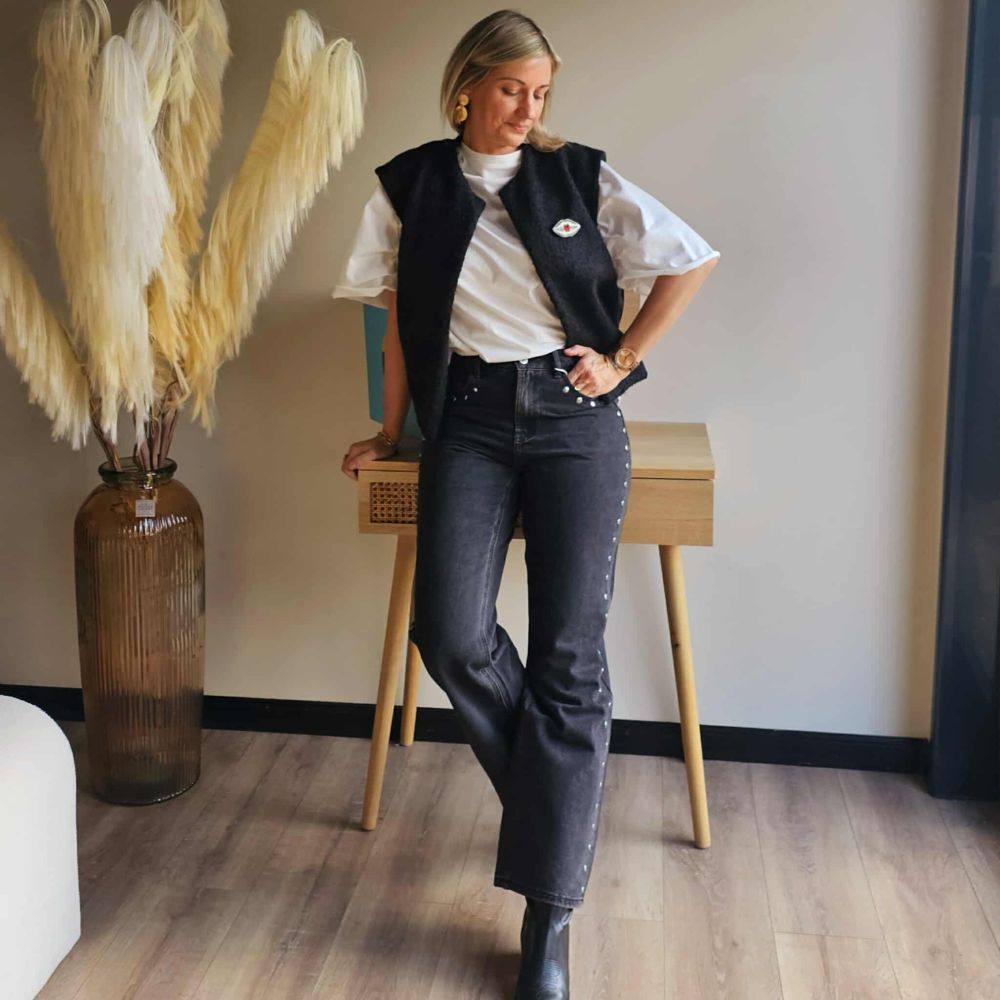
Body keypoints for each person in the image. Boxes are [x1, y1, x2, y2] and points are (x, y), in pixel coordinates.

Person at [333, 10, 719, 998]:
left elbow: (690, 260)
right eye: (512, 90)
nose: (527, 109)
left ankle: (547, 923)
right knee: (449, 631)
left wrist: (621, 359)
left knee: (568, 657)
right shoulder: (410, 186)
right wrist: (388, 430)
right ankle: (559, 815)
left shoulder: (578, 174)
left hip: (572, 419)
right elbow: (397, 323)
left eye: (541, 93)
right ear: (467, 86)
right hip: (465, 420)